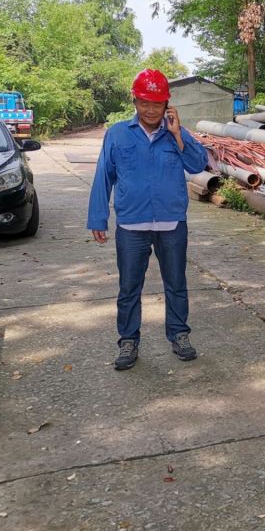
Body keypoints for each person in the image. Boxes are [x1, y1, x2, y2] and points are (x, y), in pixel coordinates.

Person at [87, 68, 208, 371]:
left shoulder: (175, 132)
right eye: (144, 103)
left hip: (171, 224)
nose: (151, 110)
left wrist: (178, 134)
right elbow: (103, 175)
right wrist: (98, 217)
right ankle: (128, 340)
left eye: (157, 104)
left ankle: (179, 335)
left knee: (176, 283)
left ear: (167, 103)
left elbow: (198, 165)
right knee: (129, 287)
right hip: (131, 225)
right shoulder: (117, 134)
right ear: (135, 101)